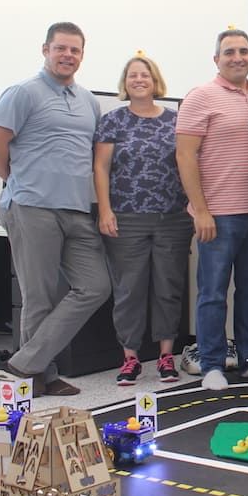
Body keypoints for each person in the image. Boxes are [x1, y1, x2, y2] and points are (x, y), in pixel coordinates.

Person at [0, 21, 110, 396]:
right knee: (38, 296)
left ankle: (23, 364)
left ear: (82, 55)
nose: (68, 55)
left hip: (74, 209)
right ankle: (43, 376)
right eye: (61, 48)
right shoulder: (23, 92)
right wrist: (17, 179)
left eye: (75, 50)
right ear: (46, 50)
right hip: (31, 207)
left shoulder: (88, 101)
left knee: (95, 286)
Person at [176, 27, 248, 391]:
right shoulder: (200, 97)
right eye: (230, 51)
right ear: (216, 59)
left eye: (244, 51)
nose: (238, 57)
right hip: (217, 215)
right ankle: (212, 365)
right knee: (213, 292)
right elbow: (185, 156)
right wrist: (200, 211)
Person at [94, 54, 193, 386]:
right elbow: (101, 168)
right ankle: (131, 358)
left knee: (169, 287)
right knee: (129, 289)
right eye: (133, 75)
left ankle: (166, 356)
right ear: (125, 82)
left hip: (172, 217)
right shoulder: (113, 121)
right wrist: (105, 210)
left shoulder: (177, 120)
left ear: (155, 82)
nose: (139, 80)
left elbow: (189, 164)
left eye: (145, 75)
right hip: (125, 217)